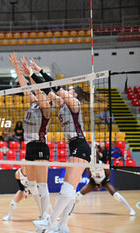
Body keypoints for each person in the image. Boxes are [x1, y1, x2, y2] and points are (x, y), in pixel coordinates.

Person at [31, 58, 98, 232]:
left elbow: (57, 88)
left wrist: (41, 71)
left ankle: (51, 221)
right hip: (76, 146)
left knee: (67, 188)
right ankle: (63, 226)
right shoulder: (63, 105)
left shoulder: (75, 104)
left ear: (74, 94)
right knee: (71, 189)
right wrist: (32, 73)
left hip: (80, 146)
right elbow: (47, 89)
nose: (64, 92)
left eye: (68, 91)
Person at [10, 53, 52, 220]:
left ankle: (44, 217)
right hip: (29, 146)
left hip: (41, 145)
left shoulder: (46, 107)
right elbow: (24, 88)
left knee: (42, 185)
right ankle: (44, 214)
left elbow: (37, 89)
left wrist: (31, 74)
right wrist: (17, 69)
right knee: (32, 185)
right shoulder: (33, 103)